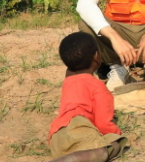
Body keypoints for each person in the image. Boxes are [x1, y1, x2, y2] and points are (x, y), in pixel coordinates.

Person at [48, 32, 130, 162]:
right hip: (80, 128)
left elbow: (71, 71)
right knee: (111, 146)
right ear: (97, 56)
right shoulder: (98, 87)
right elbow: (103, 124)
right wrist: (116, 133)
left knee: (81, 150)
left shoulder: (69, 80)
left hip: (56, 136)